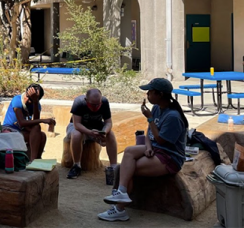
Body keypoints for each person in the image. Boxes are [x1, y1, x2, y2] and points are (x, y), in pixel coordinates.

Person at [97, 78, 189, 222]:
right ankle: (121, 192)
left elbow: (160, 139)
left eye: (150, 92)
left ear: (160, 95)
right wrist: (148, 147)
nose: (147, 94)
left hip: (170, 157)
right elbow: (150, 134)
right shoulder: (157, 108)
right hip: (156, 149)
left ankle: (119, 209)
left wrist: (150, 119)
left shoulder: (173, 117)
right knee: (128, 151)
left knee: (127, 170)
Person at [66, 88, 118, 179]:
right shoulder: (79, 102)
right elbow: (77, 124)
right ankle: (76, 165)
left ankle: (114, 167)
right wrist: (90, 133)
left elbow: (108, 122)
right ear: (86, 100)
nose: (96, 107)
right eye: (93, 105)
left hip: (96, 126)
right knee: (77, 135)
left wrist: (104, 132)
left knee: (111, 134)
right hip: (79, 126)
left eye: (98, 104)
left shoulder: (104, 102)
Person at [2, 84, 56, 160]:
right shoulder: (17, 100)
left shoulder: (36, 105)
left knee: (42, 135)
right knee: (38, 130)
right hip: (10, 129)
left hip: (23, 130)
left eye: (30, 99)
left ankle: (37, 158)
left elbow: (35, 123)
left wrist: (35, 103)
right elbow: (21, 122)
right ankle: (32, 160)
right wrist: (43, 120)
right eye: (26, 96)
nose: (26, 99)